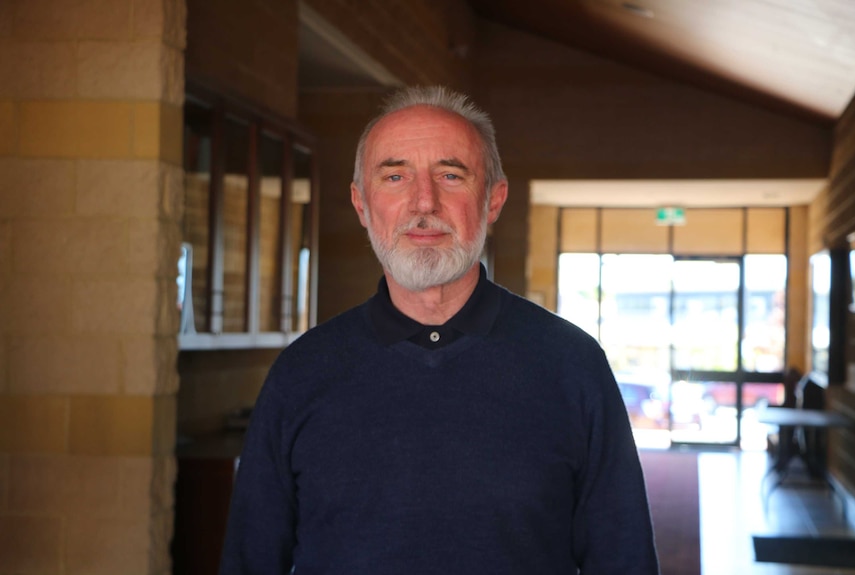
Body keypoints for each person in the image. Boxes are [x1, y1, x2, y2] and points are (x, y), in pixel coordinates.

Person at [219, 86, 659, 574]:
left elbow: (625, 560)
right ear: (362, 205)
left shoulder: (572, 365)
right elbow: (249, 561)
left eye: (450, 175)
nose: (423, 202)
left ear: (493, 201)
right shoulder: (301, 372)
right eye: (394, 176)